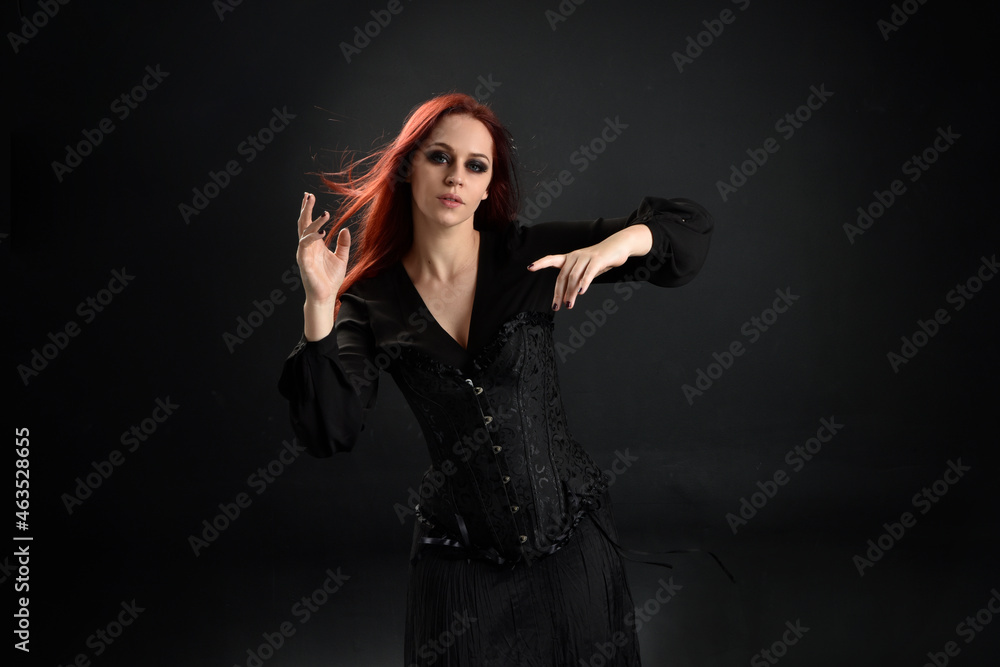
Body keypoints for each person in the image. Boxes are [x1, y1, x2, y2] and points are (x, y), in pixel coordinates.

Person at [278, 92, 713, 665]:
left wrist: (616, 245)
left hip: (570, 544)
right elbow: (328, 430)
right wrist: (319, 304)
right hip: (457, 559)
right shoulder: (371, 300)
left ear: (488, 187)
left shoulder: (525, 255)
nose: (456, 176)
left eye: (475, 166)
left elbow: (685, 236)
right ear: (409, 167)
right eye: (440, 158)